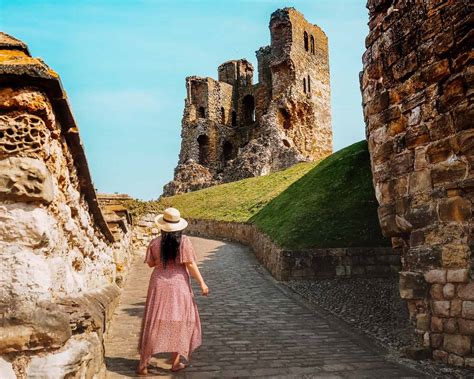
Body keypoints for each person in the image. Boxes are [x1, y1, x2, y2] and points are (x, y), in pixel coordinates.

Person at [137, 207, 209, 375]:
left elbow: (151, 264)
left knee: (154, 320)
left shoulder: (155, 242)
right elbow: (190, 264)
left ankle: (143, 364)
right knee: (178, 321)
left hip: (159, 283)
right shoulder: (184, 242)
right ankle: (175, 363)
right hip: (179, 285)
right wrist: (202, 283)